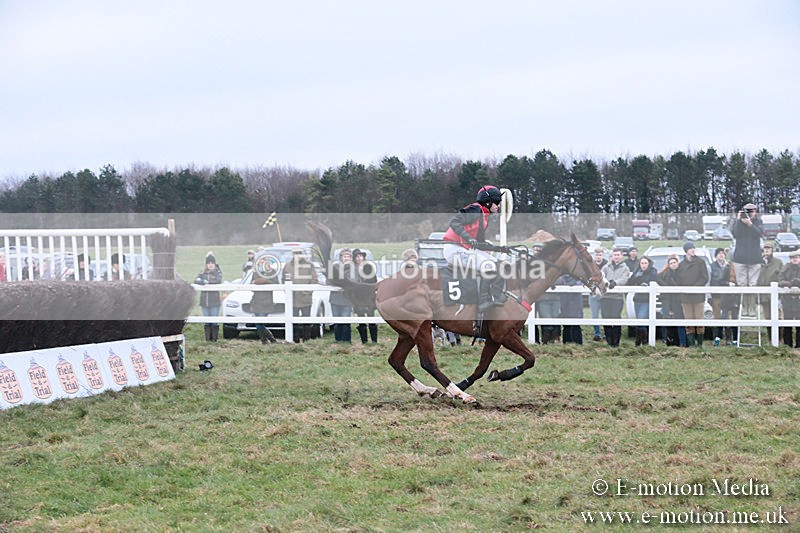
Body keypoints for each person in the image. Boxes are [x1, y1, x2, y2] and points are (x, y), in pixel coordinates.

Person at [442, 185, 507, 336]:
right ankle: (484, 301)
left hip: (465, 249)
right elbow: (454, 222)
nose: (498, 206)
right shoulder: (475, 210)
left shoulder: (485, 217)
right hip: (454, 249)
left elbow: (480, 242)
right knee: (488, 265)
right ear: (488, 202)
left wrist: (499, 248)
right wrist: (468, 238)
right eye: (497, 202)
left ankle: (496, 297)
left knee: (498, 264)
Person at [730, 203, 763, 317]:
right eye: (748, 211)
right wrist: (739, 220)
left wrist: (750, 224)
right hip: (740, 258)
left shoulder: (758, 222)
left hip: (754, 258)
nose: (750, 213)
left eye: (752, 211)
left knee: (752, 284)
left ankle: (752, 308)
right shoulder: (738, 222)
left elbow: (759, 233)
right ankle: (744, 307)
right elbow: (735, 234)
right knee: (742, 284)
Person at [675, 241, 709, 347]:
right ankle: (691, 344)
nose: (693, 250)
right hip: (685, 297)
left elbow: (705, 278)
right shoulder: (681, 265)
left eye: (694, 248)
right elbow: (678, 280)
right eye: (690, 249)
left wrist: (695, 287)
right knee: (688, 321)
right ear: (686, 251)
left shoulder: (701, 262)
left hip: (698, 296)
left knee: (699, 320)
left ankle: (699, 344)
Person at [283, 248, 316, 343]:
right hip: (292, 298)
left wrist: (308, 292)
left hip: (305, 297)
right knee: (293, 320)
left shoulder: (309, 265)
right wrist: (288, 293)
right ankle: (295, 339)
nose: (297, 255)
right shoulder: (287, 266)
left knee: (306, 319)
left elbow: (314, 280)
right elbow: (283, 280)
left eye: (299, 253)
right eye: (295, 253)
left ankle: (307, 340)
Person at [600, 247, 631, 347]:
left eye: (618, 255)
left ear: (621, 256)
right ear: (612, 256)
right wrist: (606, 283)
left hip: (617, 297)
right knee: (606, 318)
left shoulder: (625, 268)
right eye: (615, 255)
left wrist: (615, 283)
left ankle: (616, 342)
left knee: (616, 317)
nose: (616, 257)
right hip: (605, 297)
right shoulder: (606, 267)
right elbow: (601, 276)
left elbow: (624, 279)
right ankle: (609, 341)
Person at [626, 256, 658, 346]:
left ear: (649, 264)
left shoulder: (653, 271)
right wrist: (636, 277)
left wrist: (647, 283)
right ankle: (643, 341)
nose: (643, 265)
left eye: (645, 263)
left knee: (641, 319)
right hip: (637, 299)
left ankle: (639, 341)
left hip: (647, 300)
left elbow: (654, 279)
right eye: (642, 263)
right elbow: (630, 282)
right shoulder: (637, 271)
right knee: (639, 321)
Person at [658, 254, 687, 347]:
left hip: (681, 300)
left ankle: (683, 342)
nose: (673, 264)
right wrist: (665, 287)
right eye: (671, 263)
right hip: (670, 300)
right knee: (667, 321)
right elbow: (657, 278)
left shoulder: (682, 272)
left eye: (675, 262)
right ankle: (668, 341)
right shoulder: (666, 274)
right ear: (668, 264)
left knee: (681, 321)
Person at [352, 249, 378, 344]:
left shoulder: (368, 267)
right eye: (357, 257)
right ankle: (364, 341)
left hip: (368, 297)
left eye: (360, 256)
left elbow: (373, 280)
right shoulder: (352, 269)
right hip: (358, 298)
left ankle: (374, 340)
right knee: (361, 319)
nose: (359, 258)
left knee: (371, 318)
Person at [329, 248, 355, 343]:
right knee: (337, 321)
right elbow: (330, 280)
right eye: (345, 256)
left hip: (347, 299)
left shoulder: (354, 269)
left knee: (345, 321)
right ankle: (338, 340)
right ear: (341, 257)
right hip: (335, 298)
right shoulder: (334, 267)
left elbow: (353, 281)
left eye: (348, 256)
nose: (346, 258)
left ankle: (346, 341)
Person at [195, 252, 223, 342]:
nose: (210, 265)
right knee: (207, 321)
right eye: (208, 263)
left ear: (214, 264)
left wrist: (207, 282)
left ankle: (214, 340)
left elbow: (218, 281)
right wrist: (202, 281)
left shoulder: (218, 272)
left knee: (214, 320)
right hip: (204, 301)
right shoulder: (202, 272)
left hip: (214, 301)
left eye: (212, 263)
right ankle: (208, 340)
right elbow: (196, 280)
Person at [709, 248, 735, 345]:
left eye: (722, 253)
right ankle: (717, 338)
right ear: (716, 255)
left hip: (727, 296)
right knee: (717, 317)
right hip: (716, 295)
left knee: (727, 318)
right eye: (719, 254)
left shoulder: (729, 266)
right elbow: (710, 281)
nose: (721, 255)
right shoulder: (711, 267)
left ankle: (729, 338)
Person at [757, 243, 783, 335]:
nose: (767, 250)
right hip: (764, 295)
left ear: (772, 250)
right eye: (765, 248)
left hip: (775, 294)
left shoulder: (778, 262)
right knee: (767, 317)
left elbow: (780, 276)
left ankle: (779, 338)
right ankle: (770, 338)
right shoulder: (759, 262)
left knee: (777, 316)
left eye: (769, 248)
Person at [250, 260, 278, 345]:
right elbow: (251, 285)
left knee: (259, 323)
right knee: (258, 323)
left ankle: (271, 340)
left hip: (266, 302)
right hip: (256, 301)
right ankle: (265, 341)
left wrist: (265, 281)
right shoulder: (255, 272)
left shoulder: (272, 273)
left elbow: (277, 284)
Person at [777, 251, 800, 348]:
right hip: (788, 300)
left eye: (797, 257)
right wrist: (789, 284)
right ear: (790, 259)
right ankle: (788, 345)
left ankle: (799, 345)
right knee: (787, 323)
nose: (795, 259)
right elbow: (779, 281)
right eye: (793, 257)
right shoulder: (785, 268)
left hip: (799, 301)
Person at [558, 274, 583, 344]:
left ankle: (577, 343)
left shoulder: (577, 276)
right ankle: (566, 342)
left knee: (576, 324)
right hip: (564, 302)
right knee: (566, 325)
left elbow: (579, 283)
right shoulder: (561, 276)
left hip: (574, 302)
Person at [589, 247, 607, 341]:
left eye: (600, 255)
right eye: (597, 255)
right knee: (594, 315)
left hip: (604, 294)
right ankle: (597, 334)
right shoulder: (590, 265)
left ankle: (606, 333)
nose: (598, 257)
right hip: (593, 294)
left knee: (605, 314)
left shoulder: (607, 265)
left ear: (603, 255)